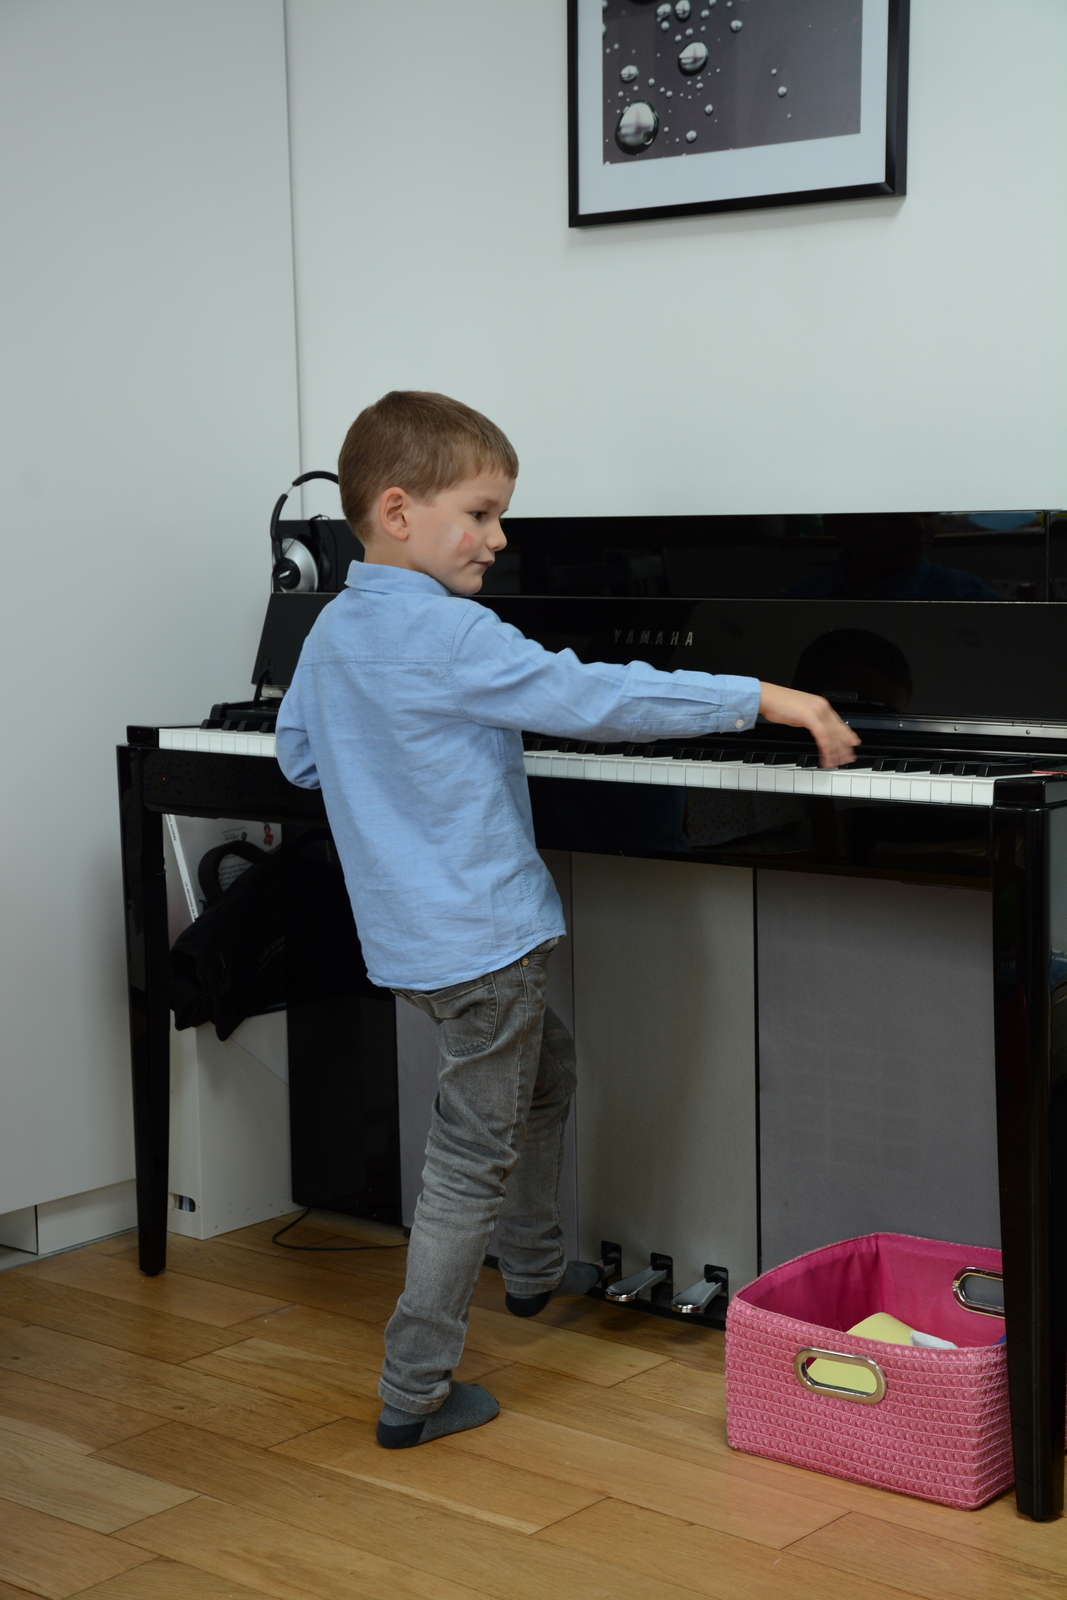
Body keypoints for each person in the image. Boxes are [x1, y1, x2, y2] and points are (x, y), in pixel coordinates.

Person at [275, 391, 858, 1450]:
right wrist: (767, 697)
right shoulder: (452, 632)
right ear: (398, 511)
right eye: (481, 514)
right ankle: (414, 1388)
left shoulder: (330, 630)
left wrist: (399, 769)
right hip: (485, 942)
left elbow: (302, 760)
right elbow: (599, 698)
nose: (499, 538)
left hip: (407, 944)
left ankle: (535, 1265)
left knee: (545, 1070)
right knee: (468, 1157)